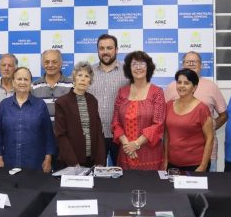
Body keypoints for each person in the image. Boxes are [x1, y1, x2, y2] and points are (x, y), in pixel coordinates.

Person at [164, 51, 227, 171]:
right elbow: (166, 131)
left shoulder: (209, 91)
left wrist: (209, 127)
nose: (182, 86)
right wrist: (165, 159)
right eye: (187, 62)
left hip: (200, 160)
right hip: (173, 161)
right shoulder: (171, 90)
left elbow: (223, 116)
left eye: (194, 62)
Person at [0, 67, 56, 172]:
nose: (22, 82)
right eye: (19, 79)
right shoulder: (4, 105)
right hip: (9, 163)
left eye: (26, 79)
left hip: (35, 164)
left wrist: (48, 159)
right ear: (13, 82)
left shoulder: (40, 105)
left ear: (31, 83)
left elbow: (48, 135)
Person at [112, 51, 166, 170]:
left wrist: (136, 144)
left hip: (150, 154)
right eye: (134, 64)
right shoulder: (122, 92)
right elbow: (115, 122)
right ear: (129, 69)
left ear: (148, 67)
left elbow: (158, 124)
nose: (138, 67)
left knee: (150, 187)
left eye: (142, 64)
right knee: (125, 187)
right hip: (126, 153)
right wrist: (127, 145)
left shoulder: (157, 92)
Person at [55, 62, 106, 167]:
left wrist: (100, 161)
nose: (83, 79)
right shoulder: (62, 102)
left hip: (91, 160)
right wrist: (74, 163)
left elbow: (98, 131)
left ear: (90, 81)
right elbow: (61, 135)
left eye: (86, 76)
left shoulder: (93, 101)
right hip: (70, 162)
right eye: (80, 75)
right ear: (74, 78)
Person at [88, 34, 128, 166]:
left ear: (116, 49)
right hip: (95, 135)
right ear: (97, 50)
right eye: (102, 48)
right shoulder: (87, 72)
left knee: (122, 176)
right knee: (95, 176)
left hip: (121, 135)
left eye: (109, 48)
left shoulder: (128, 73)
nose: (105, 52)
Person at [164, 68, 214, 172]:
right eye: (179, 82)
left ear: (194, 87)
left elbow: (210, 138)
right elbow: (166, 136)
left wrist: (203, 166)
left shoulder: (202, 108)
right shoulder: (168, 105)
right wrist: (165, 160)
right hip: (172, 165)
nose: (182, 86)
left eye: (186, 83)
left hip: (195, 165)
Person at [31, 49, 73, 123]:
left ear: (61, 63)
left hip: (65, 134)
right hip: (42, 134)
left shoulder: (72, 85)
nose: (50, 65)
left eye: (54, 62)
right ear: (42, 64)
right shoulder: (34, 86)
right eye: (47, 62)